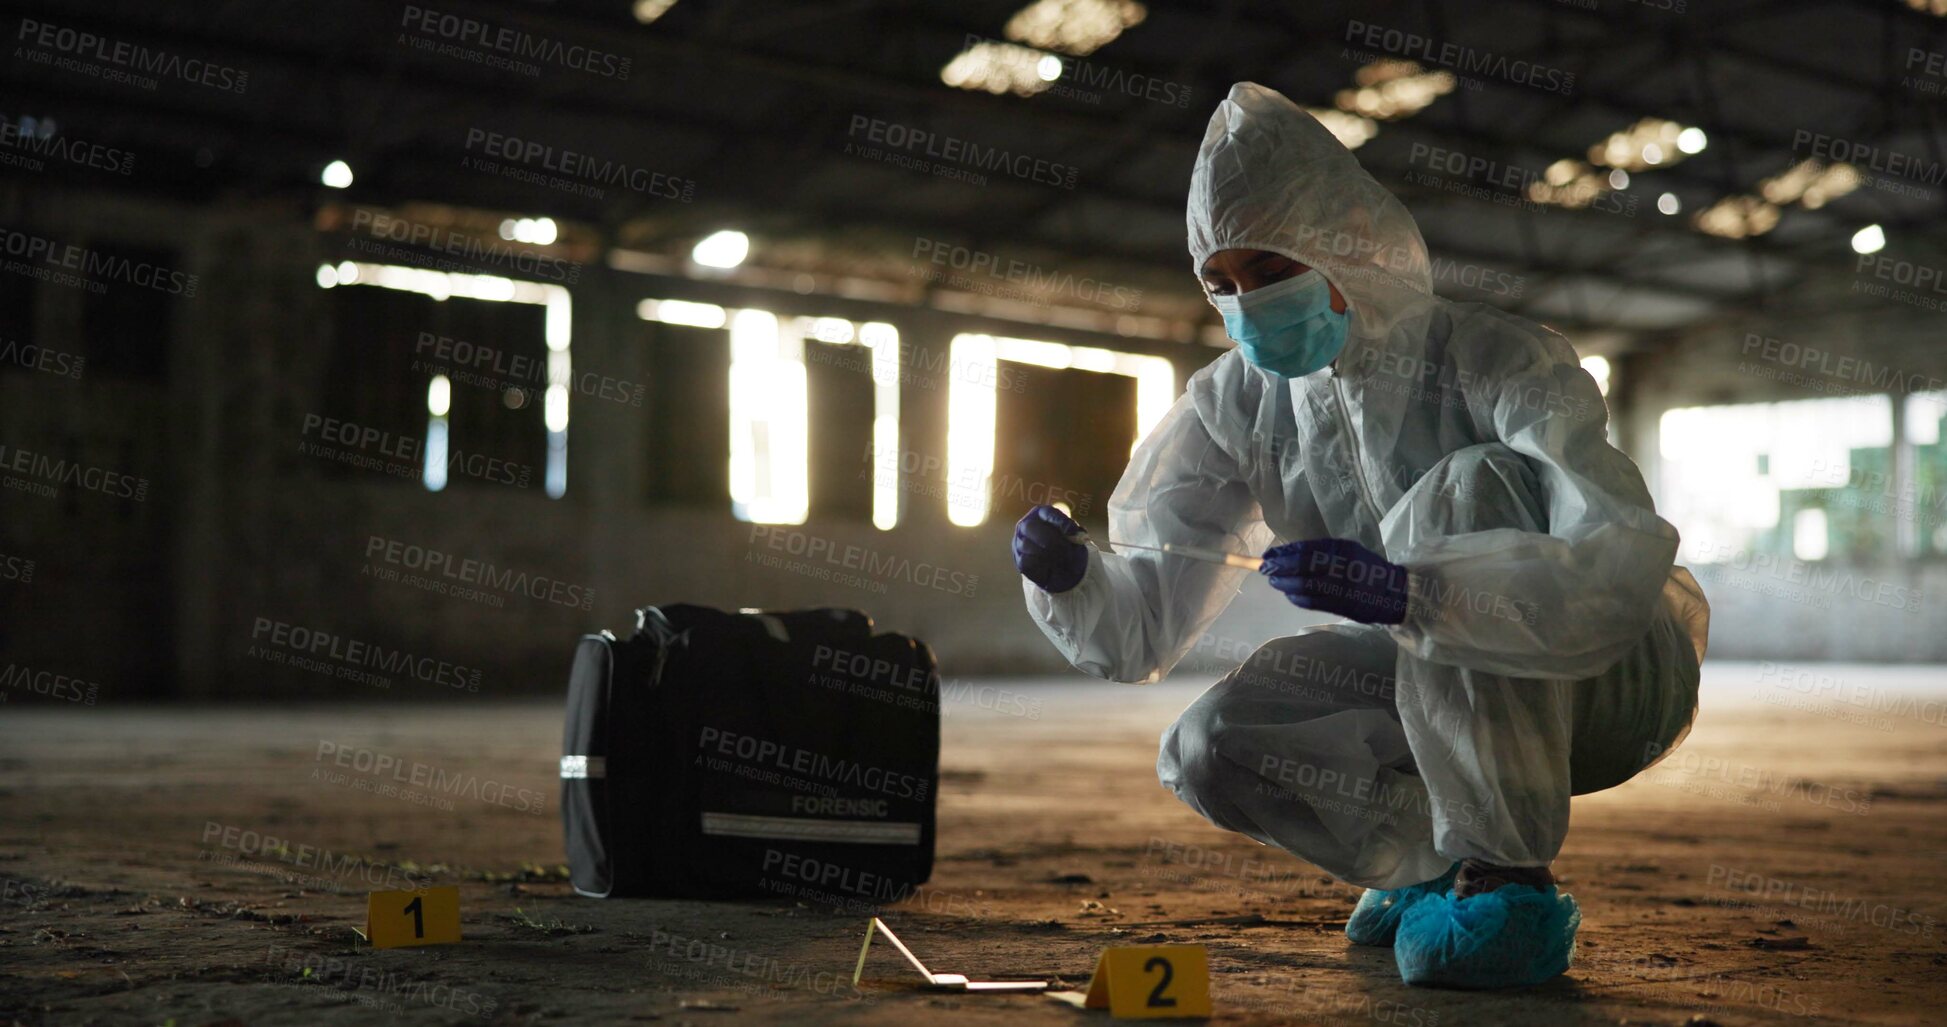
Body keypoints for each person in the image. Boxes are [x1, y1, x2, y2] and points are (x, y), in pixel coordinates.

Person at [1011, 82, 1709, 989]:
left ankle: (1508, 873)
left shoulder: (1495, 360)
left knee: (1469, 486)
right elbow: (1142, 619)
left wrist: (1418, 590)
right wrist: (1073, 577)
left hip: (1598, 677)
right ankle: (1431, 868)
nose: (1244, 304)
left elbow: (1613, 551)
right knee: (1214, 740)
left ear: (1338, 248)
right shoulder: (1233, 403)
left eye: (1268, 271)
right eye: (1220, 284)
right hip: (1434, 690)